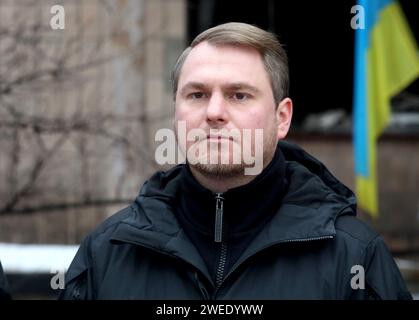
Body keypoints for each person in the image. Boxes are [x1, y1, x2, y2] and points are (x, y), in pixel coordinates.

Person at [60, 22, 412, 300]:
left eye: (239, 95)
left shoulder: (354, 259)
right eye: (197, 94)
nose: (214, 112)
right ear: (175, 113)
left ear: (282, 117)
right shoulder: (108, 252)